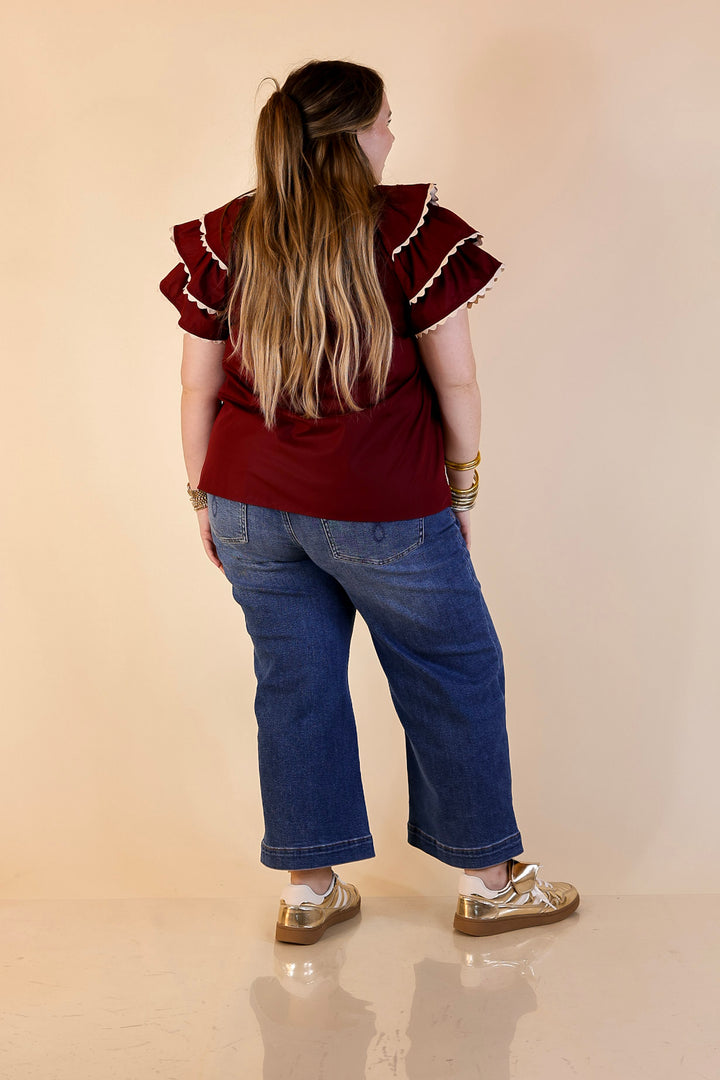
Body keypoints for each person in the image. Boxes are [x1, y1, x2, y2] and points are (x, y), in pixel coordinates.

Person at [159, 59, 579, 944]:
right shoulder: (404, 232)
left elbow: (196, 390)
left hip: (247, 505)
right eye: (387, 120)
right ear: (353, 136)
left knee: (294, 682)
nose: (394, 135)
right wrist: (460, 485)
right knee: (452, 671)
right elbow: (456, 379)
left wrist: (205, 499)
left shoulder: (228, 236)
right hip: (383, 503)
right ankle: (490, 882)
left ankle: (309, 890)